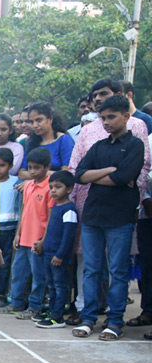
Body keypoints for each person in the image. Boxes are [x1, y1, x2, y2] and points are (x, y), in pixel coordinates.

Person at [67, 78, 151, 326]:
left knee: (118, 271)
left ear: (125, 116)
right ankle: (89, 318)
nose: (106, 123)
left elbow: (127, 176)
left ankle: (115, 321)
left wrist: (100, 175)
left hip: (121, 216)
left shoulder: (136, 142)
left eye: (111, 117)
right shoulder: (97, 143)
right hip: (92, 214)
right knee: (91, 269)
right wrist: (110, 172)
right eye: (103, 118)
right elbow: (79, 174)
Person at [10, 148, 54, 322]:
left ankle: (35, 307)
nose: (33, 171)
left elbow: (50, 216)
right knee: (18, 271)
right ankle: (16, 302)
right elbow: (23, 210)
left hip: (38, 240)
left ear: (47, 167)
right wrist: (17, 234)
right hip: (24, 238)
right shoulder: (28, 185)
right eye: (30, 167)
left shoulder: (50, 187)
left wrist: (44, 239)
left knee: (38, 275)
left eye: (37, 168)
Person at [36, 171, 78, 329]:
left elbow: (68, 236)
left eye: (58, 187)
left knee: (60, 285)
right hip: (48, 253)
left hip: (58, 256)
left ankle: (58, 317)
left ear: (69, 189)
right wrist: (41, 243)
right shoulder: (55, 206)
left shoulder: (69, 210)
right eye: (51, 187)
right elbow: (50, 230)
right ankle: (52, 311)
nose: (53, 190)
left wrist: (60, 255)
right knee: (51, 284)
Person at [0, 148, 21, 310]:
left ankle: (1, 294)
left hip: (8, 228)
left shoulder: (16, 184)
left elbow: (20, 208)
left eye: (2, 165)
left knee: (4, 263)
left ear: (10, 166)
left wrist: (18, 231)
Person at [18, 102, 74, 178]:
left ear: (50, 119)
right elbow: (22, 173)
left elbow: (66, 173)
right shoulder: (32, 142)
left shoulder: (64, 140)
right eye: (31, 122)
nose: (35, 125)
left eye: (39, 120)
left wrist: (37, 178)